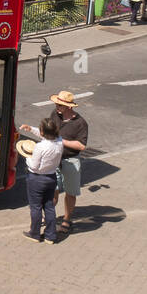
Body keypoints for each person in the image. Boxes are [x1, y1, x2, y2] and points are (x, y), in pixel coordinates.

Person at [21, 90, 89, 231]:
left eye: (60, 105)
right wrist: (31, 129)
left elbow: (81, 146)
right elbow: (48, 133)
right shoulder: (55, 114)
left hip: (71, 160)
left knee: (70, 192)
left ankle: (66, 219)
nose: (57, 106)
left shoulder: (81, 123)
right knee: (53, 191)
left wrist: (61, 141)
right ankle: (48, 218)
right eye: (57, 103)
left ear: (69, 106)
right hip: (55, 161)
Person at [18, 118, 63, 243]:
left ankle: (35, 233)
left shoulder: (40, 147)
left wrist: (27, 157)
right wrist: (31, 129)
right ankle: (50, 236)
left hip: (37, 179)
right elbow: (46, 134)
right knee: (49, 206)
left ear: (43, 132)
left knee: (36, 207)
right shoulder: (59, 142)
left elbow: (34, 166)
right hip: (51, 178)